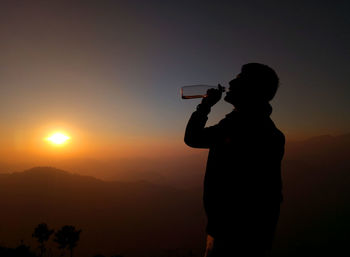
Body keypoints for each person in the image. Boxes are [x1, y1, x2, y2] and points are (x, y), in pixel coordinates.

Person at [184, 63, 285, 257]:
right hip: (254, 233)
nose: (230, 82)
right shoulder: (265, 128)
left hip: (230, 234)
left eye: (238, 79)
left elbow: (193, 138)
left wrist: (205, 106)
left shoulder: (240, 125)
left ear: (252, 89)